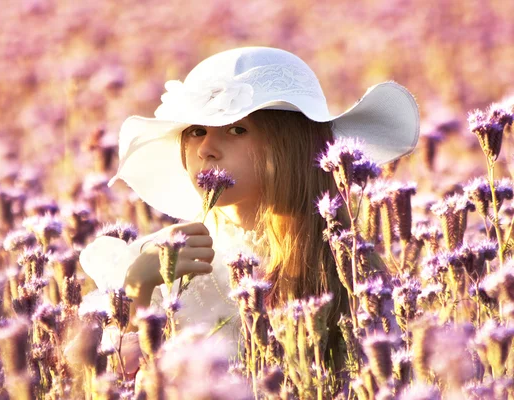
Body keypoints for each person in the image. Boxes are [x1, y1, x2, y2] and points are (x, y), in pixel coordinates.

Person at [79, 46, 419, 362]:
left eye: (237, 130)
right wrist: (137, 287)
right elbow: (111, 377)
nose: (206, 149)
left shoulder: (348, 264)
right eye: (197, 131)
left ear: (291, 148)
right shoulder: (159, 257)